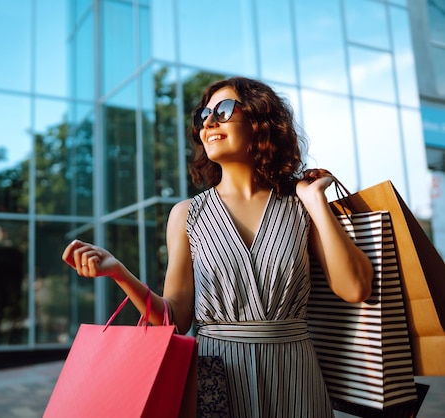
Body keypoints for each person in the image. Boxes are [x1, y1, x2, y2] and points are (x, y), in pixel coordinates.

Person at [62, 76, 374, 417]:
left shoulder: (300, 205)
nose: (208, 122)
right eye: (202, 115)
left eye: (223, 110)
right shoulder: (187, 215)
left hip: (296, 376)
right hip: (218, 380)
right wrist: (119, 272)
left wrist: (315, 201)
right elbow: (174, 321)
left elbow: (356, 288)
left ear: (261, 120)